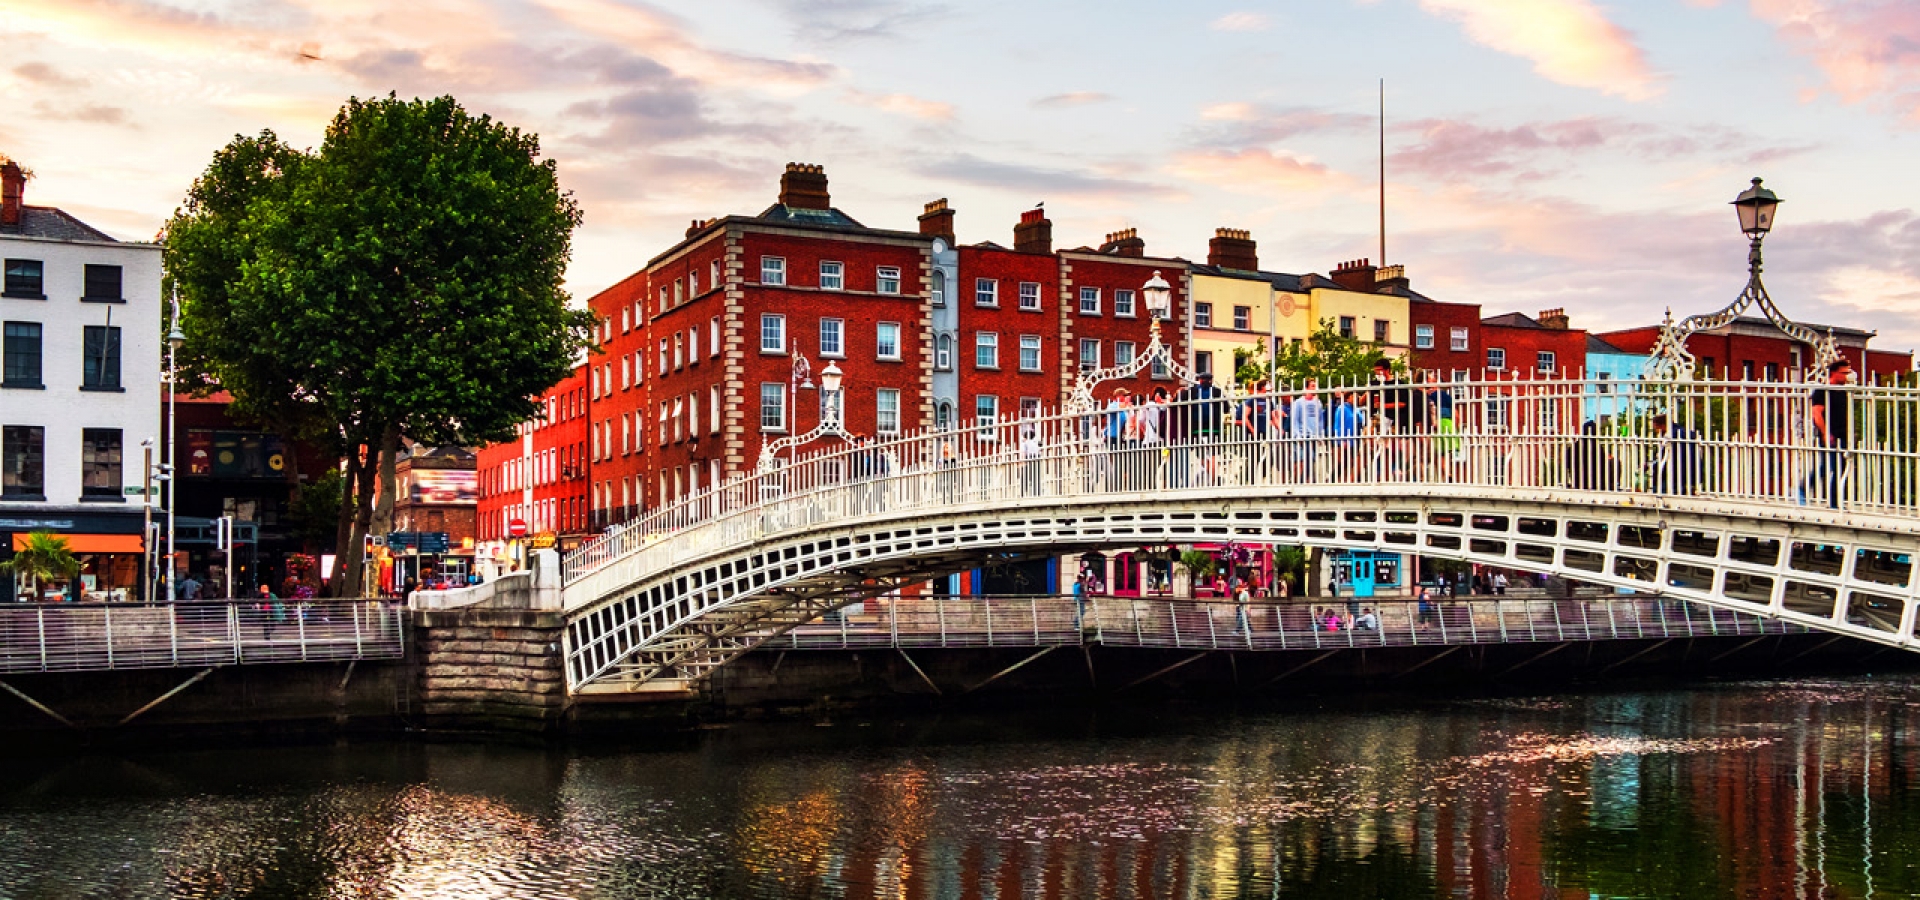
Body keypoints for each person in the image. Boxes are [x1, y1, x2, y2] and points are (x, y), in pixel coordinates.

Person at [1807, 358, 1856, 509]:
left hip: (1842, 435)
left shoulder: (1843, 392)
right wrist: (1825, 433)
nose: (1847, 376)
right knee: (1831, 466)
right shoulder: (1822, 391)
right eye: (1844, 373)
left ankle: (1833, 500)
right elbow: (1817, 414)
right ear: (1834, 373)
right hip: (1829, 435)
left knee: (1837, 468)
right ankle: (1830, 500)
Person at [1650, 413, 1701, 496]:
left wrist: (1655, 466)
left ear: (1661, 425)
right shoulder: (1686, 432)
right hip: (1692, 473)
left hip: (1676, 473)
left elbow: (1666, 456)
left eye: (1656, 427)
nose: (1656, 430)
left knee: (1658, 491)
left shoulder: (1672, 435)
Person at [1291, 379, 1325, 481]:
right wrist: (1297, 436)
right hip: (1303, 435)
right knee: (1303, 459)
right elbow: (1295, 420)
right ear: (1306, 388)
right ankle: (1300, 480)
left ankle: (1306, 480)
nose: (1315, 388)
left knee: (1311, 459)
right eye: (1313, 386)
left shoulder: (1318, 403)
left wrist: (1319, 435)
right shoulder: (1299, 402)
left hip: (1314, 436)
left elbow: (1320, 420)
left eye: (1316, 386)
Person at [1019, 427, 1043, 496]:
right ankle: (1037, 493)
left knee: (1025, 477)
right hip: (1036, 459)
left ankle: (1023, 493)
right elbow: (1039, 452)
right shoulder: (1035, 443)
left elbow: (1023, 453)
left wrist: (1022, 463)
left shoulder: (1024, 443)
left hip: (1029, 459)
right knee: (1036, 477)